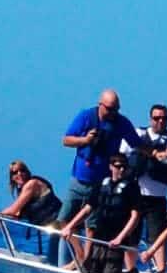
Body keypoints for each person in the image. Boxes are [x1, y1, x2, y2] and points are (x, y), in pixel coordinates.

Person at [59, 89, 143, 263]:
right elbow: (66, 140)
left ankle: (85, 261)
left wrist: (157, 152)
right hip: (79, 179)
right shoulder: (86, 117)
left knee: (92, 226)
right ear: (100, 105)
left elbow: (137, 144)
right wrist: (85, 141)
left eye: (116, 109)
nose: (113, 113)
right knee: (64, 220)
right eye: (110, 109)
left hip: (100, 183)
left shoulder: (121, 123)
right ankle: (79, 256)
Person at [125, 102, 167, 253]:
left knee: (157, 236)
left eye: (164, 118)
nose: (160, 121)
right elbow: (120, 151)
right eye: (156, 118)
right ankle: (130, 270)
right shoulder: (138, 133)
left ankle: (161, 272)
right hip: (134, 194)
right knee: (131, 236)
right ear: (151, 119)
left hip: (156, 197)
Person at [59, 154, 143, 273]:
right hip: (98, 239)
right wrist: (70, 226)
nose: (121, 170)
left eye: (124, 167)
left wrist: (120, 238)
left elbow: (135, 217)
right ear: (111, 167)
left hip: (115, 242)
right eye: (118, 167)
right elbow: (88, 208)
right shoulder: (101, 185)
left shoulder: (132, 188)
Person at [0, 160, 65, 262]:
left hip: (64, 227)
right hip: (56, 231)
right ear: (12, 178)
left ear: (27, 172)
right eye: (15, 172)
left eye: (22, 170)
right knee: (53, 262)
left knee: (61, 264)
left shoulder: (32, 184)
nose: (19, 174)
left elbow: (13, 210)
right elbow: (17, 213)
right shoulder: (24, 191)